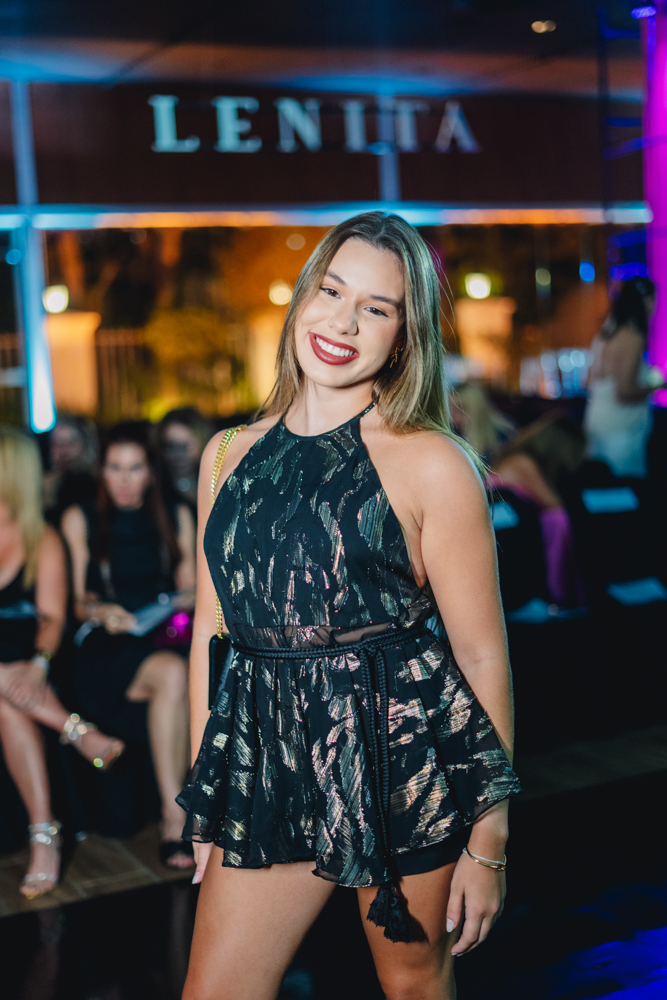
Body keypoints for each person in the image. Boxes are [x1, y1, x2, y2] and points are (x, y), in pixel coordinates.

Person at [178, 212, 520, 1000]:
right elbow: (211, 635)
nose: (342, 322)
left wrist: (489, 839)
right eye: (331, 292)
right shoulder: (225, 455)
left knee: (412, 985)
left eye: (375, 307)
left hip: (399, 757)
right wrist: (209, 802)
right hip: (268, 762)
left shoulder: (434, 464)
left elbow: (480, 656)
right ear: (301, 299)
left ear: (403, 338)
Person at [61, 423, 196, 868]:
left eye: (134, 468)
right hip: (105, 644)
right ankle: (174, 817)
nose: (123, 479)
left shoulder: (175, 513)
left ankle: (179, 812)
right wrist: (102, 611)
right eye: (114, 468)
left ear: (150, 472)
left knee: (178, 669)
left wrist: (178, 601)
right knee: (173, 673)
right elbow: (78, 601)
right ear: (101, 470)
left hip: (163, 632)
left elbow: (193, 586)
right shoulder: (81, 516)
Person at [0, 427, 124, 899]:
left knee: (6, 704)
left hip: (23, 652)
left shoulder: (42, 536)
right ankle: (77, 732)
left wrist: (37, 664)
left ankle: (42, 834)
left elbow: (52, 617)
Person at [492, 415, 586, 606]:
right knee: (558, 519)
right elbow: (552, 503)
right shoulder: (523, 462)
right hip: (506, 525)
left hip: (514, 524)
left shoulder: (521, 458)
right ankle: (559, 588)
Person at [585, 276, 664, 478]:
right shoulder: (632, 336)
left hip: (596, 422)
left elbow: (589, 380)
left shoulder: (604, 333)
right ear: (645, 300)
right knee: (626, 487)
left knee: (601, 485)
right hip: (621, 430)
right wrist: (657, 386)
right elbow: (624, 392)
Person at [42, 416, 98, 526]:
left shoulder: (92, 483)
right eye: (57, 444)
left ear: (85, 445)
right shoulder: (44, 483)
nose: (63, 450)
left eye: (71, 443)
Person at [157, 408, 212, 514]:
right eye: (169, 446)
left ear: (202, 441)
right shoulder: (157, 488)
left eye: (183, 446)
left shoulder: (218, 479)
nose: (177, 453)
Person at [449, 381, 515, 464]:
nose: (453, 417)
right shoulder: (454, 434)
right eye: (451, 410)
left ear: (476, 411)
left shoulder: (503, 437)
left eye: (460, 410)